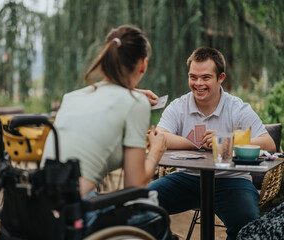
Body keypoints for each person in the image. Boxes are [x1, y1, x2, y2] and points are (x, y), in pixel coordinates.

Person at [147, 46, 276, 240]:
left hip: (232, 179)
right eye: (193, 77)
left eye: (206, 77)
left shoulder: (237, 108)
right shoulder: (179, 106)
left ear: (221, 77)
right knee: (137, 206)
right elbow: (159, 136)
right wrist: (195, 143)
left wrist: (227, 141)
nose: (198, 83)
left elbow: (269, 143)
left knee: (247, 225)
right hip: (187, 178)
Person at [40, 25, 167, 198]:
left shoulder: (72, 97)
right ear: (143, 64)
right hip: (72, 209)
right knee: (154, 214)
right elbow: (134, 184)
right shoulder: (136, 104)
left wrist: (132, 92)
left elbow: (103, 92)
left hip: (38, 201)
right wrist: (156, 151)